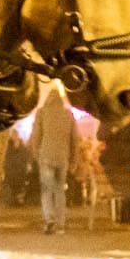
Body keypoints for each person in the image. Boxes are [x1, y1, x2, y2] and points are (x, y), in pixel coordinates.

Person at [27, 81, 77, 234]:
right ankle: (61, 224)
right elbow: (75, 139)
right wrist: (73, 160)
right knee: (60, 190)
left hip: (46, 157)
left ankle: (49, 219)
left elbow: (36, 136)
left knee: (47, 190)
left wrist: (36, 155)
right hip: (63, 158)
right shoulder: (68, 114)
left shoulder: (41, 112)